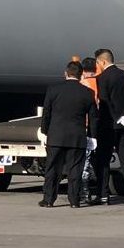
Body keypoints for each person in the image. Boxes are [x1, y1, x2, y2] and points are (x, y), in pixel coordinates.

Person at [38, 61, 99, 208]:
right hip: (77, 137)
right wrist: (92, 136)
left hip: (56, 136)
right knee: (75, 170)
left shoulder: (53, 90)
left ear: (66, 73)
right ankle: (74, 200)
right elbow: (93, 118)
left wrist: (45, 131)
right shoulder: (87, 93)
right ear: (81, 75)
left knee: (52, 169)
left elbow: (46, 114)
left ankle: (48, 199)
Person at [94, 48, 124, 205]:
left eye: (97, 63)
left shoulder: (101, 78)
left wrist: (116, 118)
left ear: (103, 62)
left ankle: (103, 195)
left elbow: (105, 101)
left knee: (103, 160)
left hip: (108, 125)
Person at [79, 57, 100, 204]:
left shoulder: (83, 85)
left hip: (84, 125)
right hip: (99, 125)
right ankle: (98, 191)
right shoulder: (101, 82)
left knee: (84, 163)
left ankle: (85, 193)